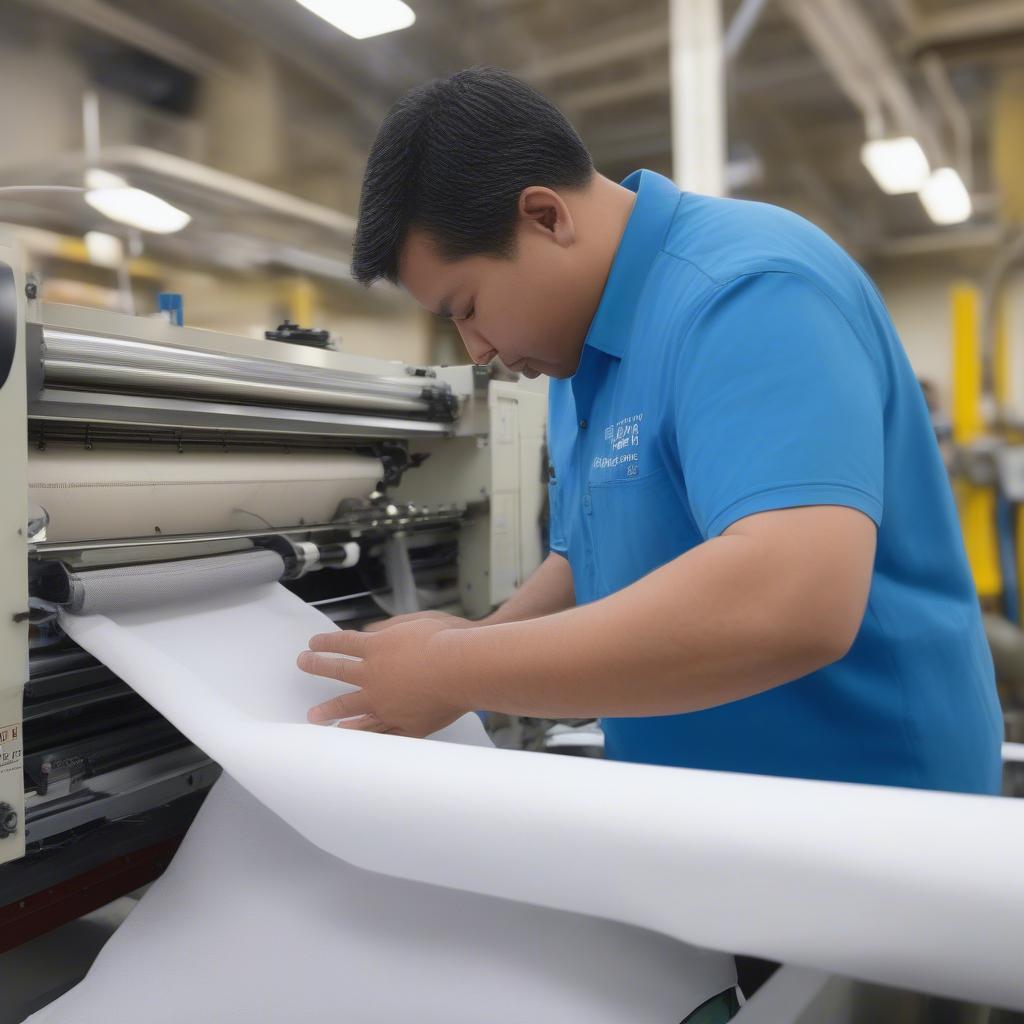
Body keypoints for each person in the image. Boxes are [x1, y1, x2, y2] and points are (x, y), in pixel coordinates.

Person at [297, 67, 1003, 797]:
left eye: (468, 306)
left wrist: (451, 671)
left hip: (865, 806)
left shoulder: (748, 291)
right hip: (703, 807)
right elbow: (595, 553)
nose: (475, 350)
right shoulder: (581, 349)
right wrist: (469, 643)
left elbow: (794, 600)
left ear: (545, 216)